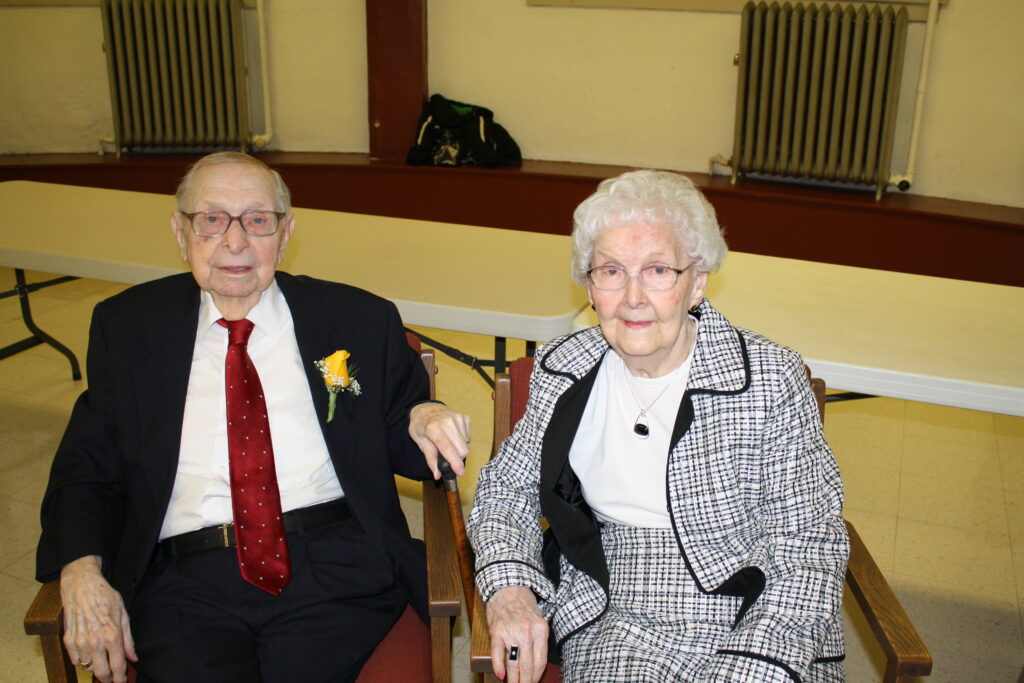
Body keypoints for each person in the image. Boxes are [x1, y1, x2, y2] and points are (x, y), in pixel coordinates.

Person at [36, 152, 472, 683]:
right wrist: (80, 568)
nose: (235, 242)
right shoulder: (127, 327)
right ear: (181, 231)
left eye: (258, 220)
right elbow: (87, 466)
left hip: (333, 567)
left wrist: (424, 414)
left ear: (285, 234)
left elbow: (406, 439)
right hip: (182, 577)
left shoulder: (356, 318)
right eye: (212, 219)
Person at [467, 170, 848, 682]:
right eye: (610, 270)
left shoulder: (770, 380)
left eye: (658, 270)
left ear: (697, 283)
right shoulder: (565, 367)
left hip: (755, 609)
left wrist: (754, 667)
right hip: (619, 613)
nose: (632, 297)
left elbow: (810, 547)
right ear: (590, 285)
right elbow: (505, 491)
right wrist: (510, 587)